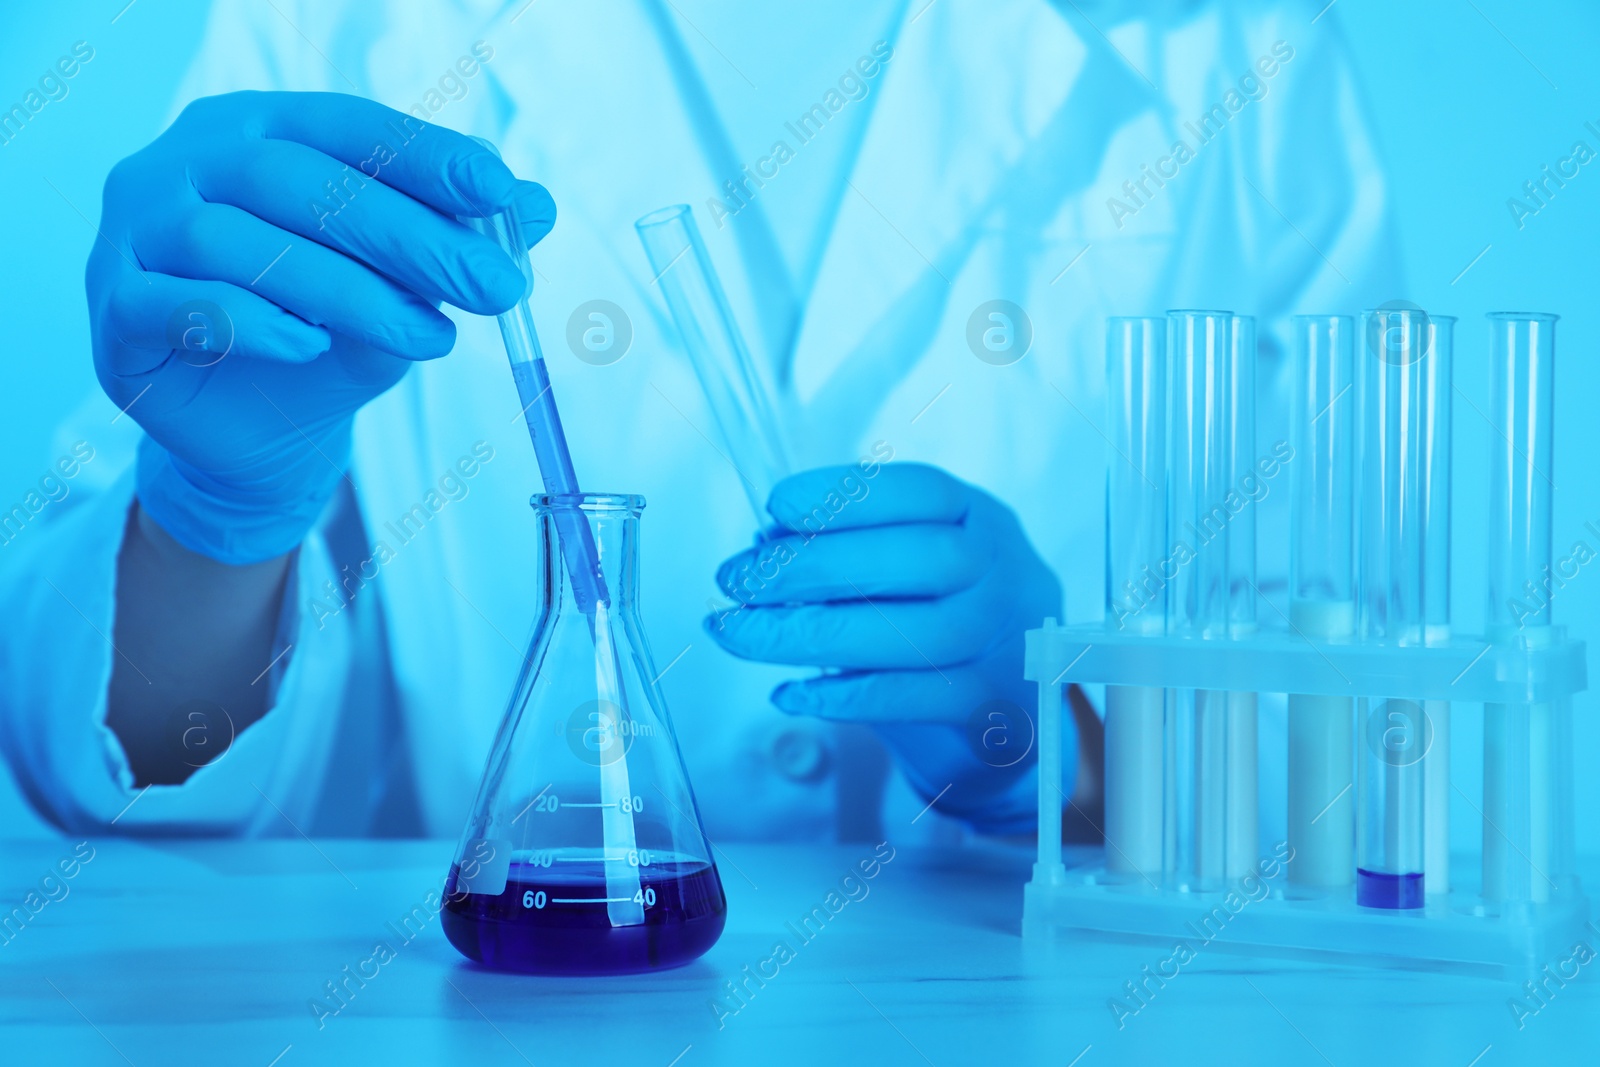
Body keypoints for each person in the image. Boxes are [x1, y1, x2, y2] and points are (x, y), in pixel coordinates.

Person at [0, 0, 1398, 843]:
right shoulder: (357, 24)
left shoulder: (1230, 53)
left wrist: (1059, 744)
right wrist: (214, 517)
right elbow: (120, 768)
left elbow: (1380, 771)